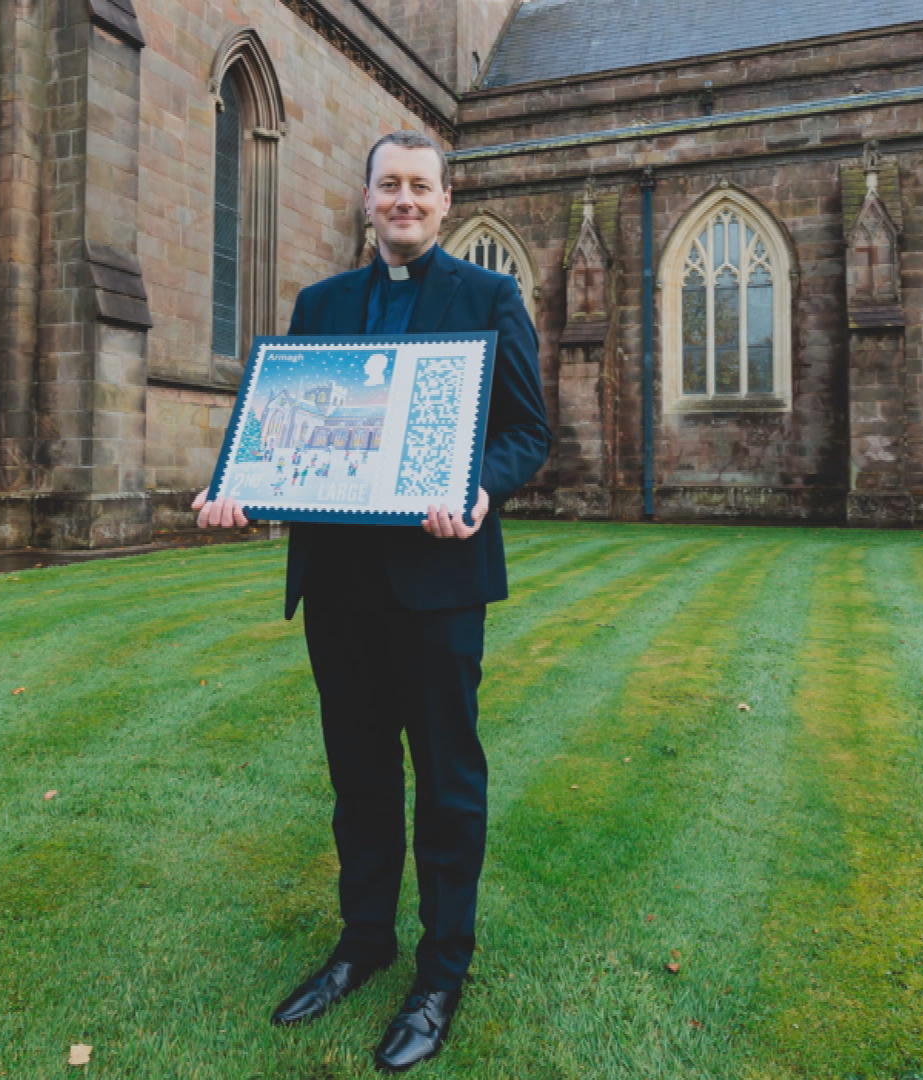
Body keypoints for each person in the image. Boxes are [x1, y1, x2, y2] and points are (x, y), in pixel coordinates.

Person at [193, 130, 550, 1072]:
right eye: (388, 184)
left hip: (438, 586)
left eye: (419, 187)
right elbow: (280, 431)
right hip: (340, 586)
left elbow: (526, 432)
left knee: (446, 779)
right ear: (365, 199)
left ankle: (441, 973)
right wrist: (237, 490)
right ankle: (363, 944)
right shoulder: (320, 305)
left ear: (444, 199)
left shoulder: (488, 297)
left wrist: (479, 490)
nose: (404, 200)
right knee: (357, 779)